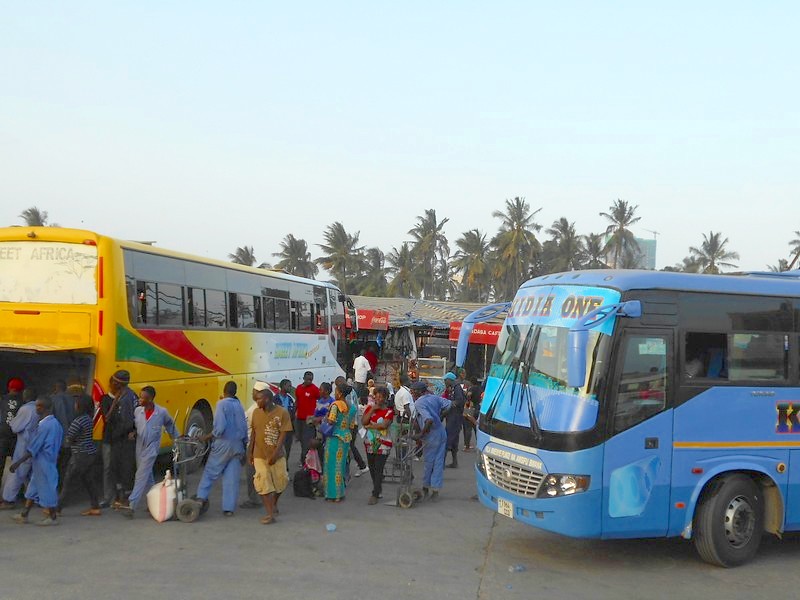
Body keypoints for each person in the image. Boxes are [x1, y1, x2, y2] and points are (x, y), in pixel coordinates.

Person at [119, 386, 179, 517]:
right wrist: (133, 433)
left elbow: (170, 424)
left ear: (150, 399)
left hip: (152, 448)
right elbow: (135, 426)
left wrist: (176, 438)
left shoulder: (161, 412)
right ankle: (153, 502)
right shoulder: (137, 411)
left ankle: (132, 505)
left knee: (141, 475)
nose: (140, 400)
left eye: (143, 398)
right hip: (140, 446)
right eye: (140, 397)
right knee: (148, 476)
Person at [194, 381, 248, 516]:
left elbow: (220, 427)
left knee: (210, 473)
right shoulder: (239, 405)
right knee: (231, 478)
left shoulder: (221, 404)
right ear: (235, 392)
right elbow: (244, 427)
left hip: (223, 444)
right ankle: (229, 509)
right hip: (238, 445)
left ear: (224, 391)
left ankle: (200, 499)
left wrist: (205, 437)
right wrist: (244, 447)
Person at [10, 396, 64, 525]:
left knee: (47, 488)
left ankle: (52, 517)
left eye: (39, 406)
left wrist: (17, 463)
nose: (37, 408)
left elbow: (33, 448)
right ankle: (24, 514)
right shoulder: (55, 423)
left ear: (47, 408)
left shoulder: (45, 426)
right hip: (47, 461)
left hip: (43, 461)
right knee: (33, 489)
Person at [248, 388, 293, 525]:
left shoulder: (282, 413)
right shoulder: (256, 413)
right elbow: (254, 433)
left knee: (282, 481)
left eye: (258, 399)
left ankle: (273, 503)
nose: (256, 402)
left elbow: (283, 436)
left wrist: (275, 454)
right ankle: (269, 514)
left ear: (267, 399)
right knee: (262, 481)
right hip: (259, 454)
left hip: (277, 454)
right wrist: (250, 452)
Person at [57, 388, 101, 516]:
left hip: (79, 455)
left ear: (80, 406)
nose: (74, 405)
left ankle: (57, 509)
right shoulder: (88, 419)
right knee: (89, 481)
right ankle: (95, 506)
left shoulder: (78, 421)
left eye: (76, 403)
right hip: (90, 453)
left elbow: (69, 438)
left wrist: (66, 443)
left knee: (68, 481)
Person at [99, 370, 137, 508]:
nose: (112, 385)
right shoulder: (107, 399)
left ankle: (122, 498)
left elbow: (130, 419)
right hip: (111, 438)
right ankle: (110, 497)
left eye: (115, 383)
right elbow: (108, 418)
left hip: (121, 440)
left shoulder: (128, 397)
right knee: (110, 468)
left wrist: (133, 431)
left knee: (122, 469)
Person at [410, 381, 452, 501]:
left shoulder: (419, 402)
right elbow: (449, 404)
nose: (412, 394)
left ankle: (426, 486)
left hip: (431, 435)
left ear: (419, 392)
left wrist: (421, 434)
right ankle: (435, 490)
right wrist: (440, 415)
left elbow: (428, 420)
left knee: (429, 462)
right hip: (441, 432)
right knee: (438, 462)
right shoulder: (434, 397)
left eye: (413, 391)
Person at [0, 386, 38, 509]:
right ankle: (37, 499)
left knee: (16, 472)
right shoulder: (40, 407)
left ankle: (8, 500)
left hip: (24, 445)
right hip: (36, 444)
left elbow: (15, 427)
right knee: (32, 473)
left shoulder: (25, 409)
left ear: (25, 397)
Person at [323, 382, 357, 502]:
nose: (335, 393)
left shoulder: (336, 405)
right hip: (345, 438)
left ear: (340, 393)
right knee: (340, 466)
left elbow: (331, 421)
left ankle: (332, 494)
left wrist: (326, 417)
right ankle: (340, 493)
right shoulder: (352, 407)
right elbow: (351, 425)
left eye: (336, 391)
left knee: (330, 466)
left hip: (335, 437)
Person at [362, 385, 394, 505]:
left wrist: (370, 426)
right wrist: (372, 410)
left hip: (383, 443)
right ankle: (378, 488)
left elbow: (384, 425)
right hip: (370, 442)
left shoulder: (389, 411)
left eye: (381, 397)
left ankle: (375, 494)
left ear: (385, 398)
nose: (379, 399)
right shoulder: (369, 408)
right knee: (372, 467)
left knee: (378, 468)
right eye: (377, 396)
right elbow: (363, 421)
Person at [241, 381, 270, 510]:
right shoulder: (266, 408)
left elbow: (253, 432)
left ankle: (255, 499)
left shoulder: (255, 410)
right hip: (263, 445)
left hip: (254, 446)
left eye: (254, 391)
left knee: (252, 474)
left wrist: (250, 451)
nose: (252, 394)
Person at [0, 377, 24, 490]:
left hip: (1, 436)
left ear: (9, 388)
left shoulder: (2, 400)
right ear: (21, 390)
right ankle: (16, 492)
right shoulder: (23, 402)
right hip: (16, 438)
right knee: (17, 466)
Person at [294, 371, 319, 465]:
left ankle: (305, 461)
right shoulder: (298, 388)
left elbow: (320, 399)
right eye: (308, 379)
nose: (309, 381)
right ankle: (304, 459)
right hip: (299, 419)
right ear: (303, 378)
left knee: (307, 440)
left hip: (309, 419)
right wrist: (294, 413)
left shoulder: (314, 389)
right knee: (300, 439)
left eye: (311, 380)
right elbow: (297, 401)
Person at [443, 372, 465, 468]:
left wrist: (449, 405)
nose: (444, 382)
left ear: (450, 380)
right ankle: (454, 462)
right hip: (454, 416)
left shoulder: (456, 388)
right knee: (454, 440)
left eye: (445, 380)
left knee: (447, 439)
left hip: (455, 417)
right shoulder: (453, 388)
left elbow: (459, 400)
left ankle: (441, 462)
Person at [274, 379, 296, 461]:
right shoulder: (275, 399)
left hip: (288, 428)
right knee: (277, 447)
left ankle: (285, 464)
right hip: (278, 428)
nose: (290, 387)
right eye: (289, 386)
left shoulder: (290, 399)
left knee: (287, 448)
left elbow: (293, 412)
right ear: (283, 386)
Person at [463, 383, 483, 451]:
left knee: (468, 428)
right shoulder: (480, 389)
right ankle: (479, 446)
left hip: (470, 406)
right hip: (477, 407)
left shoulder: (472, 388)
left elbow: (469, 394)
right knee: (476, 428)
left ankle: (467, 447)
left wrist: (468, 400)